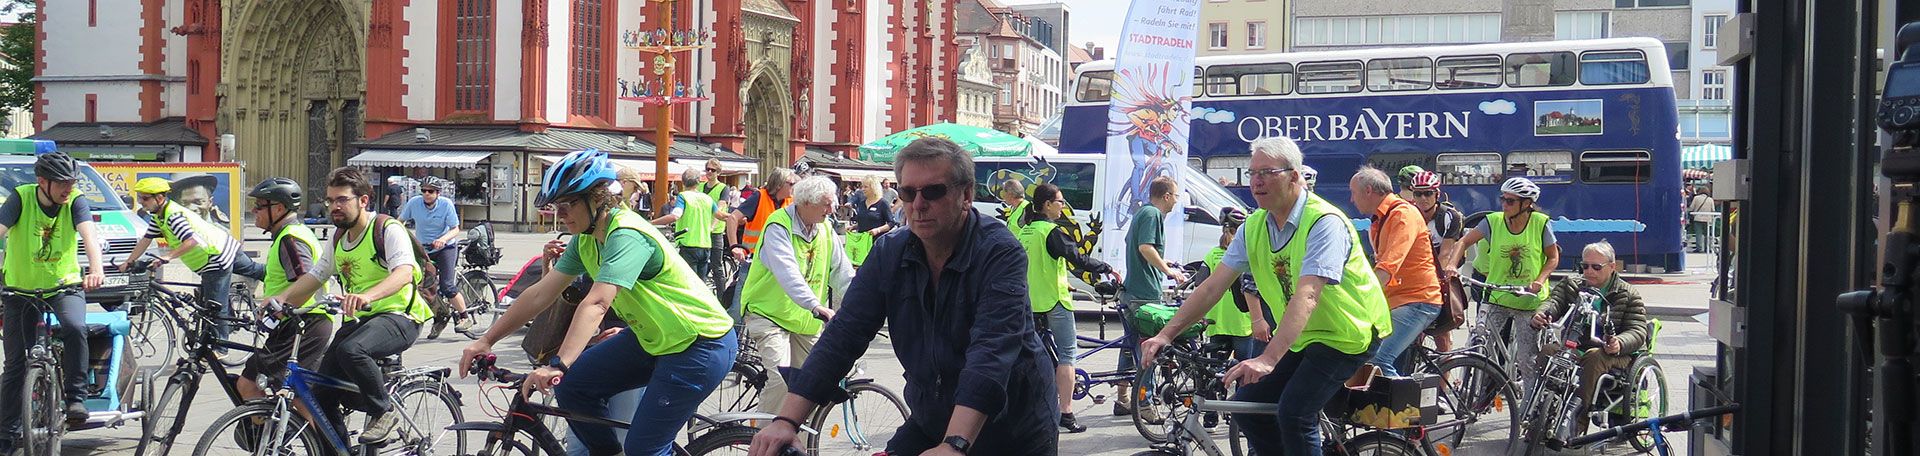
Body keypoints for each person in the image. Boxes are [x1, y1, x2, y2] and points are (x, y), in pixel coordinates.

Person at [747, 137, 1057, 456]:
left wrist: (955, 444)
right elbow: (845, 334)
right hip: (932, 417)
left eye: (933, 192)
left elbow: (991, 351)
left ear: (966, 195)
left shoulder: (999, 252)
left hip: (1011, 427)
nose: (918, 205)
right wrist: (786, 420)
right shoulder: (890, 251)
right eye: (908, 193)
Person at [460, 149, 736, 456]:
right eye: (556, 206)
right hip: (656, 337)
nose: (560, 214)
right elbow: (540, 294)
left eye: (567, 204)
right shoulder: (586, 239)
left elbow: (597, 303)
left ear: (598, 198)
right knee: (574, 386)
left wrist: (557, 363)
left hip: (699, 344)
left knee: (645, 449)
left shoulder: (627, 234)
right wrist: (485, 340)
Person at [1140, 136, 1392, 456]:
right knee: (1247, 408)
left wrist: (1267, 359)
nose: (1256, 181)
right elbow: (1212, 287)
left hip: (1349, 334)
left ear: (1294, 176)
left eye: (1267, 173)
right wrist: (1165, 334)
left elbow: (1309, 294)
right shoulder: (1254, 226)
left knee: (1295, 413)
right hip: (1305, 336)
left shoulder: (1323, 223)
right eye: (1252, 173)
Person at [266, 166, 435, 445]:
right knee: (320, 396)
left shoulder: (386, 229)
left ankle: (384, 411)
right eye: (331, 201)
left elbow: (404, 272)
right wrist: (282, 300)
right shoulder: (338, 239)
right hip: (362, 321)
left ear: (363, 200)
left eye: (342, 200)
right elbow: (316, 276)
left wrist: (368, 296)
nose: (335, 207)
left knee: (351, 350)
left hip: (400, 316)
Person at [0, 152, 107, 438]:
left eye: (71, 181)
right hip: (19, 290)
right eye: (62, 183)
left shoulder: (75, 201)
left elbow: (89, 237)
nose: (68, 188)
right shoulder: (21, 198)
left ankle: (75, 397)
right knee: (15, 364)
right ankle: (7, 433)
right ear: (42, 182)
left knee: (75, 328)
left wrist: (96, 269)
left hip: (64, 286)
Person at [740, 176, 856, 413]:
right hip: (769, 314)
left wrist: (862, 306)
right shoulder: (778, 225)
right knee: (782, 380)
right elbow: (787, 274)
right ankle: (763, 442)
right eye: (825, 203)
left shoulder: (825, 228)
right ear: (805, 203)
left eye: (832, 202)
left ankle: (796, 443)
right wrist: (815, 305)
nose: (832, 209)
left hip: (805, 321)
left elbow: (843, 273)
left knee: (810, 386)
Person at [1019, 183, 1117, 434]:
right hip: (1054, 302)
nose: (1063, 206)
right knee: (1067, 355)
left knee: (1037, 357)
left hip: (1030, 303)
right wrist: (1105, 268)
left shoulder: (1025, 231)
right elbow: (1078, 259)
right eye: (1060, 201)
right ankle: (1067, 412)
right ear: (1047, 204)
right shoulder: (1052, 231)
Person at [1529, 240, 1648, 436]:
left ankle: (1577, 421)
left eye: (1596, 267)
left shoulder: (1628, 293)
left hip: (1613, 353)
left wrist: (1618, 343)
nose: (1589, 271)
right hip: (1576, 347)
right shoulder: (1572, 285)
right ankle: (1539, 411)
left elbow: (1638, 330)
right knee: (1548, 351)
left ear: (1611, 267)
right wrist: (1542, 314)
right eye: (1585, 266)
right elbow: (1553, 302)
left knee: (1593, 357)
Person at [235, 178, 335, 410]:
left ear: (278, 208)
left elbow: (305, 281)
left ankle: (304, 444)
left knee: (250, 385)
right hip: (296, 322)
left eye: (259, 206)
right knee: (298, 395)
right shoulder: (290, 234)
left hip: (305, 324)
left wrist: (276, 309)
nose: (254, 211)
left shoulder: (291, 239)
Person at [1453, 176, 1560, 391]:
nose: (1504, 204)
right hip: (1498, 295)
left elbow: (1553, 257)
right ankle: (1483, 392)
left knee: (1526, 359)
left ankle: (1529, 407)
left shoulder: (1540, 223)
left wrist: (1539, 281)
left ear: (1527, 204)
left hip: (1528, 301)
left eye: (1510, 201)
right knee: (1480, 341)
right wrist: (1451, 266)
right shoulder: (1493, 221)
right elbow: (1463, 241)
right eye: (1503, 199)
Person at [123, 176, 261, 337]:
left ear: (159, 198)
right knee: (252, 270)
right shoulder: (159, 216)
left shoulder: (173, 216)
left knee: (215, 306)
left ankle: (221, 348)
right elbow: (146, 240)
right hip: (223, 247)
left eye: (145, 198)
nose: (141, 202)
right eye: (139, 197)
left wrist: (167, 257)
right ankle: (281, 274)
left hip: (215, 258)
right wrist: (128, 262)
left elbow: (192, 240)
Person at [1349, 166, 1441, 377]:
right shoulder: (1382, 217)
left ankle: (1407, 410)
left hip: (1417, 300)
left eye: (1353, 193)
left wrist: (1359, 298)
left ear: (1369, 191)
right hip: (1396, 300)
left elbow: (1389, 265)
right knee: (1360, 351)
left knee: (1380, 360)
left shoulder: (1402, 215)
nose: (1352, 200)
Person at [1116, 175, 1188, 420]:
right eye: (1176, 196)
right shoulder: (1153, 214)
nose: (1176, 202)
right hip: (1144, 293)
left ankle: (1124, 398)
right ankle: (1144, 403)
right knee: (1150, 350)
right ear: (1166, 196)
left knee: (1130, 347)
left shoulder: (1141, 213)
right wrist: (1168, 272)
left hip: (1131, 291)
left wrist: (1163, 262)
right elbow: (1145, 248)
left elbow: (1139, 247)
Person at [400, 176, 471, 339]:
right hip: (424, 249)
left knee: (447, 286)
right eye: (423, 191)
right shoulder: (414, 203)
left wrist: (443, 239)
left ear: (438, 193)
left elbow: (455, 229)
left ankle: (464, 317)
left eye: (430, 191)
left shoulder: (446, 205)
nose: (426, 194)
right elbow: (400, 221)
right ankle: (441, 316)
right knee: (420, 287)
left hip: (445, 247)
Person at [1403, 170, 1466, 351]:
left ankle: (1445, 372)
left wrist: (1435, 282)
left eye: (1428, 193)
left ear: (1437, 195)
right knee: (1412, 331)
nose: (1423, 198)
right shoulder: (1409, 214)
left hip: (1441, 269)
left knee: (1441, 332)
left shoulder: (1450, 217)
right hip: (1417, 270)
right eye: (1418, 193)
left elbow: (1445, 254)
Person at [1201, 207, 1270, 362]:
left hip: (1217, 322)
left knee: (1215, 370)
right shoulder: (1245, 253)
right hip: (1242, 323)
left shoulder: (1212, 254)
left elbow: (1201, 283)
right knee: (1243, 370)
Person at [651, 169, 729, 278]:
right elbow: (720, 215)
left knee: (689, 282)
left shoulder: (683, 197)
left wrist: (652, 222)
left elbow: (675, 216)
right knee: (701, 283)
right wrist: (736, 217)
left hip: (688, 245)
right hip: (705, 245)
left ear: (683, 183)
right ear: (698, 183)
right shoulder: (707, 199)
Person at [845, 176, 893, 267]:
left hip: (876, 244)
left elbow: (891, 223)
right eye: (862, 186)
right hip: (862, 244)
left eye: (866, 187)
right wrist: (854, 227)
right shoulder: (862, 203)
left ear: (873, 187)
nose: (863, 189)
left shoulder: (883, 203)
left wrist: (878, 230)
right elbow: (864, 220)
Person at [1688, 186, 1715, 253]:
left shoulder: (1696, 198)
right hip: (1708, 219)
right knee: (1708, 234)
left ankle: (1699, 248)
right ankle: (1708, 248)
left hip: (1698, 218)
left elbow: (1691, 208)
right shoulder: (1710, 199)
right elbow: (1713, 210)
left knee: (1698, 234)